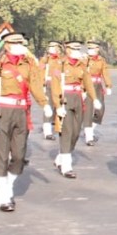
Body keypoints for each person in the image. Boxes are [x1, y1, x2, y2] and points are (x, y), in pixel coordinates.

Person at [0, 32, 50, 212]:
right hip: (3, 112)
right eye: (18, 44)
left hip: (21, 112)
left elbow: (35, 85)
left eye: (22, 44)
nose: (22, 46)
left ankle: (8, 186)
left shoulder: (28, 65)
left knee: (19, 156)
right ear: (8, 46)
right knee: (1, 156)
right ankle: (3, 195)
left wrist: (44, 103)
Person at [53, 41, 100, 178]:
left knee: (75, 132)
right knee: (67, 131)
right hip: (65, 99)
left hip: (78, 98)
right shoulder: (59, 65)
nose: (77, 51)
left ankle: (61, 157)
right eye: (74, 49)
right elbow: (56, 87)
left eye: (79, 49)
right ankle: (66, 166)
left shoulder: (82, 65)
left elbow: (88, 83)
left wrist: (94, 98)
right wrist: (57, 105)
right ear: (67, 50)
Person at [84, 40, 112, 145]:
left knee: (100, 110)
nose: (91, 50)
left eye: (93, 48)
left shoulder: (101, 60)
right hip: (87, 86)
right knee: (88, 111)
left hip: (98, 86)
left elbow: (105, 73)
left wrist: (108, 85)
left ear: (97, 49)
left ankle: (90, 127)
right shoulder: (84, 59)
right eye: (89, 48)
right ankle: (89, 136)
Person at [38, 41, 64, 140]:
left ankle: (59, 125)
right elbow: (40, 73)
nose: (51, 48)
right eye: (50, 47)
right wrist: (42, 85)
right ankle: (47, 131)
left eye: (53, 47)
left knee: (59, 106)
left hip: (59, 85)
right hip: (48, 85)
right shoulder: (45, 60)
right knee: (48, 107)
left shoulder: (61, 60)